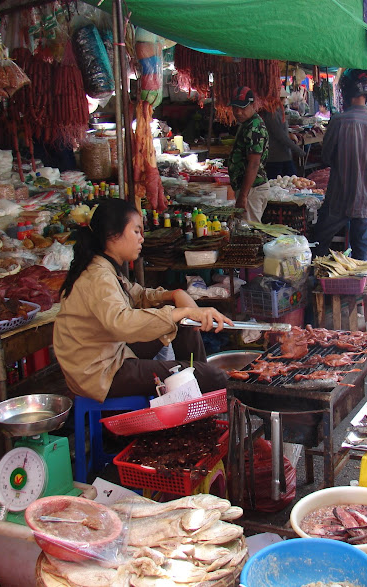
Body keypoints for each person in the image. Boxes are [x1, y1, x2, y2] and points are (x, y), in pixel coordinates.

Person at [53, 199, 232, 401]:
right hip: (101, 372)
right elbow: (121, 323)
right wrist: (182, 311)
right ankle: (200, 382)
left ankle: (194, 384)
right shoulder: (98, 276)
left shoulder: (106, 268)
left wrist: (175, 295)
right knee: (214, 376)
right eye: (136, 231)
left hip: (114, 353)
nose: (141, 239)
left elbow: (137, 294)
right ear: (113, 235)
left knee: (182, 324)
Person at [314, 69, 367, 261]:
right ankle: (358, 289)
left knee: (320, 242)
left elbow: (326, 157)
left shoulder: (339, 121)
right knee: (360, 251)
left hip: (339, 197)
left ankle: (321, 283)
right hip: (365, 196)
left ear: (346, 91)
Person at [227, 86, 271, 223]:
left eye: (243, 108)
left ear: (252, 105)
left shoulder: (254, 127)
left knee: (249, 232)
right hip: (250, 189)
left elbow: (254, 163)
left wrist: (243, 196)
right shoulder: (247, 124)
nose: (238, 112)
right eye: (235, 108)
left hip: (253, 189)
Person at [262, 88, 305, 179]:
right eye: (283, 98)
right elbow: (280, 136)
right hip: (276, 157)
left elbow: (282, 132)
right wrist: (297, 150)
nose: (285, 100)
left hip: (283, 155)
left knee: (291, 181)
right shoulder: (271, 114)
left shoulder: (277, 112)